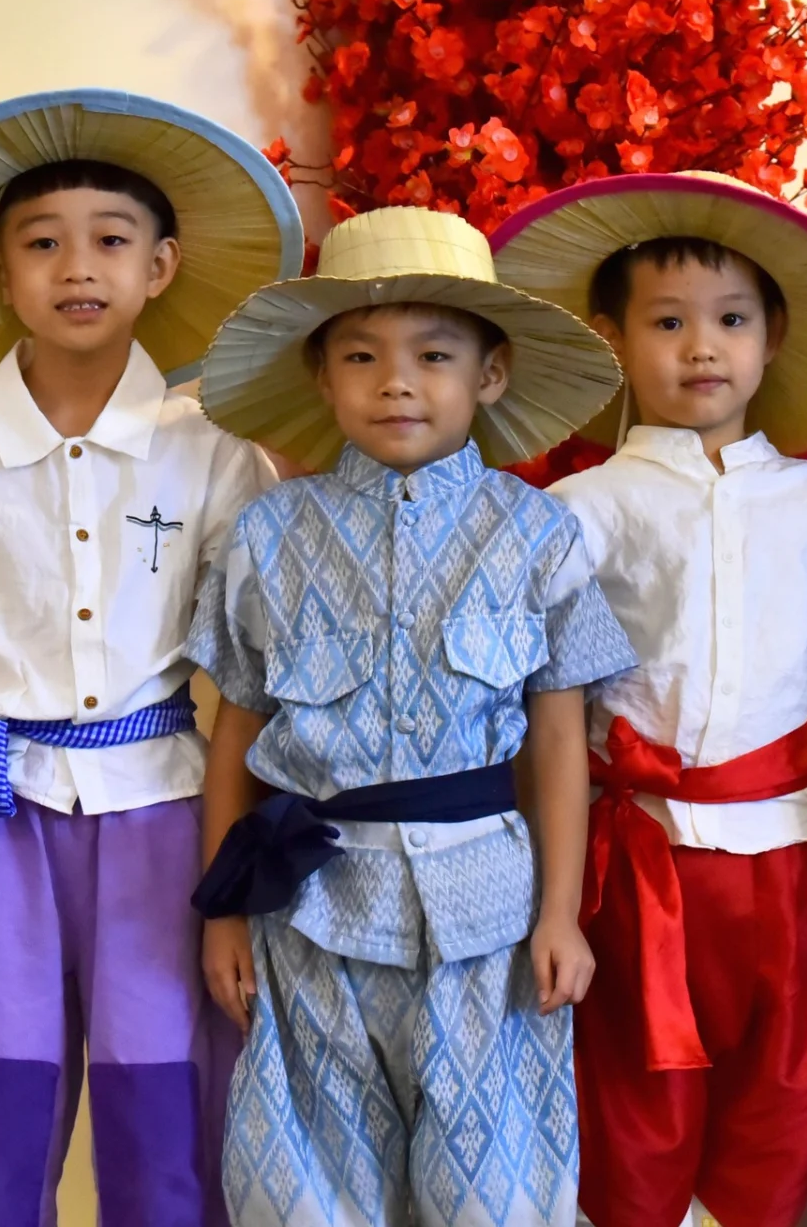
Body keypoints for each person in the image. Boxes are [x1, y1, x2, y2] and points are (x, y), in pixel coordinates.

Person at [0, 89, 301, 1226]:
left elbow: (246, 677)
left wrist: (238, 874)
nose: (76, 266)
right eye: (41, 243)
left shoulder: (208, 451)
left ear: (161, 265)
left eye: (110, 239)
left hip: (163, 808)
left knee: (160, 1108)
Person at [184, 205, 638, 1227]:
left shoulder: (536, 533)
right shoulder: (267, 536)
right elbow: (235, 732)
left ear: (490, 374)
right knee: (313, 1187)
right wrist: (221, 908)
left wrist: (559, 911)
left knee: (493, 1192)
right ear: (322, 375)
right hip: (309, 913)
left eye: (433, 354)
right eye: (362, 355)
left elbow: (561, 739)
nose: (397, 381)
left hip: (490, 917)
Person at [488, 172, 807, 1227]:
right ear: (613, 338)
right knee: (630, 1132)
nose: (701, 346)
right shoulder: (579, 509)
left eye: (730, 319)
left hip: (793, 872)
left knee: (781, 1118)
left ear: (772, 336)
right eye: (667, 322)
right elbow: (514, 677)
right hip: (634, 869)